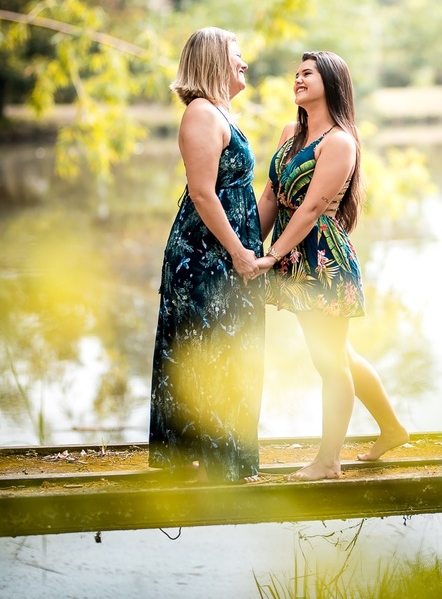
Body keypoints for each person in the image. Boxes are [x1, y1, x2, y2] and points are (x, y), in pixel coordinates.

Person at [258, 51, 409, 481]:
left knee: (329, 361)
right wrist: (250, 248)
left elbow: (310, 210)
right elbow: (271, 198)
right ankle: (393, 428)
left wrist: (270, 256)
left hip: (323, 261)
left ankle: (328, 461)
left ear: (331, 82)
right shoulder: (291, 133)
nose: (298, 79)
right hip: (295, 254)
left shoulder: (340, 141)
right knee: (339, 353)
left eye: (308, 73)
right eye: (297, 73)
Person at [148, 27, 266, 483]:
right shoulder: (201, 113)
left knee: (226, 352)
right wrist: (239, 253)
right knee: (204, 353)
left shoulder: (220, 113)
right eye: (237, 55)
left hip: (226, 256)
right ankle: (198, 463)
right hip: (202, 258)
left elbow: (236, 194)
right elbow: (202, 194)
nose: (245, 63)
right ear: (215, 61)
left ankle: (222, 462)